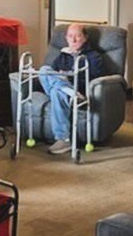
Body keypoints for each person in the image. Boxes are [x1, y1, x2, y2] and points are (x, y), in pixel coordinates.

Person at [39, 23, 103, 155]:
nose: (73, 40)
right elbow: (52, 73)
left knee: (57, 91)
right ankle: (68, 91)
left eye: (77, 36)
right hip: (66, 91)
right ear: (66, 38)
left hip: (79, 88)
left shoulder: (93, 56)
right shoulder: (64, 54)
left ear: (85, 38)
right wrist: (62, 80)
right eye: (70, 36)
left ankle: (64, 139)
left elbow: (94, 77)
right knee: (44, 70)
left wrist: (69, 77)